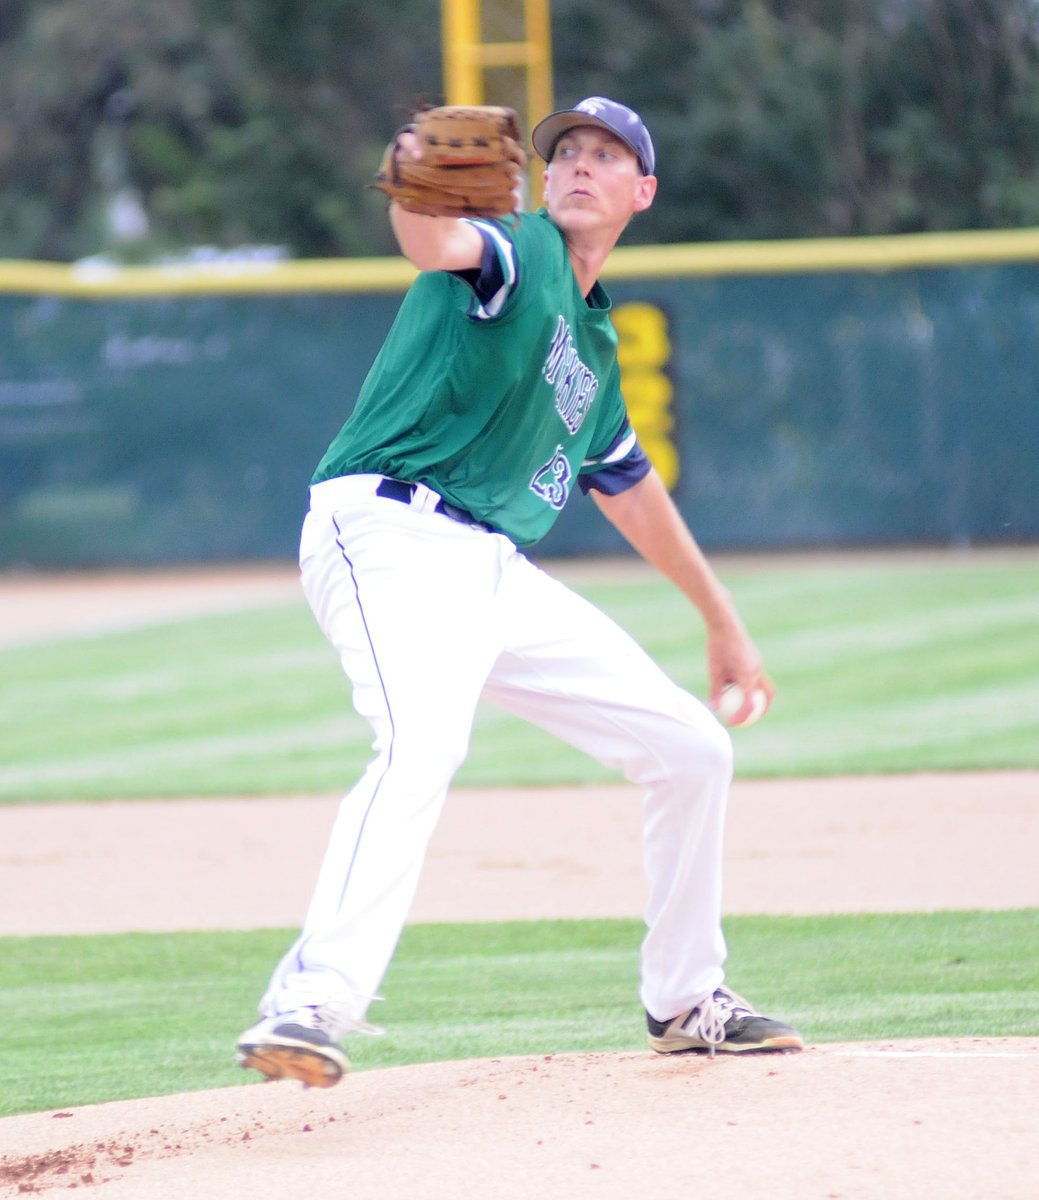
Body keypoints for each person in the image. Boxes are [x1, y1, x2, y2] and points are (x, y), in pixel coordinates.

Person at [236, 96, 803, 1088]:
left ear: (643, 191)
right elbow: (430, 238)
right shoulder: (516, 251)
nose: (580, 165)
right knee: (420, 745)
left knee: (689, 750)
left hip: (491, 567)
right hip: (388, 531)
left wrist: (721, 621)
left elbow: (628, 490)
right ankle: (310, 999)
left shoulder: (592, 344)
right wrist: (413, 175)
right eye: (567, 152)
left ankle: (682, 998)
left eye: (607, 154)